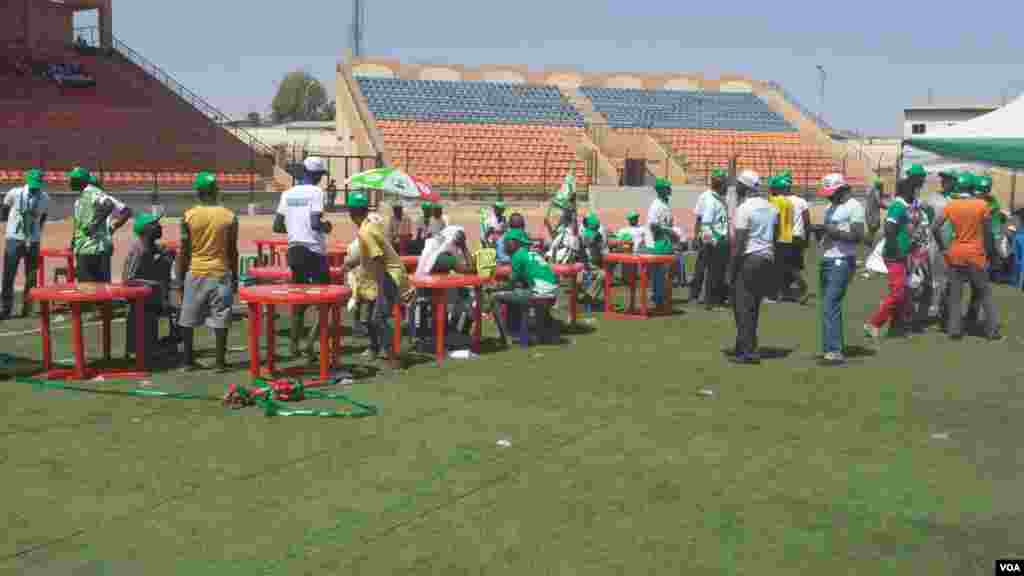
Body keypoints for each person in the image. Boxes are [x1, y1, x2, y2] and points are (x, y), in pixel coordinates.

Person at [175, 172, 239, 372]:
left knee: (188, 318)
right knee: (221, 317)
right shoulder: (230, 216)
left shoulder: (188, 216)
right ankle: (220, 362)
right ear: (217, 191)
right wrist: (235, 276)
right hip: (221, 273)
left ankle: (187, 361)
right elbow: (232, 250)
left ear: (198, 193)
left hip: (195, 272)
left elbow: (184, 251)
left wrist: (179, 280)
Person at [273, 156, 333, 359]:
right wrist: (326, 227)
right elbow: (316, 223)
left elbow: (277, 226)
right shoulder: (317, 192)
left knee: (298, 301)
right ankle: (309, 344)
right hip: (314, 250)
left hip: (295, 251)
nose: (320, 180)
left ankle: (293, 346)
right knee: (326, 301)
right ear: (315, 175)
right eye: (320, 176)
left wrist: (295, 226)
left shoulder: (287, 194)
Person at [344, 190, 415, 360]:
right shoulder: (371, 225)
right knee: (369, 317)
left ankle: (393, 357)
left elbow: (378, 257)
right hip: (384, 275)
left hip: (388, 276)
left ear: (351, 213)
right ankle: (375, 349)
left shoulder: (365, 232)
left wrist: (380, 285)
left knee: (379, 318)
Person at [931, 176, 1001, 341]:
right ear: (972, 189)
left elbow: (934, 227)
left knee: (955, 294)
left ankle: (954, 330)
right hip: (976, 254)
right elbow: (988, 233)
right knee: (984, 293)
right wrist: (992, 254)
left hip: (955, 253)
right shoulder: (982, 205)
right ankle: (992, 330)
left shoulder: (951, 205)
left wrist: (943, 247)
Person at [729, 170, 777, 365]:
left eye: (738, 184)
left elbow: (739, 243)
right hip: (767, 258)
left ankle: (748, 351)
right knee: (753, 305)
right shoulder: (771, 208)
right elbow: (776, 235)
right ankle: (744, 344)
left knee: (742, 306)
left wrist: (731, 269)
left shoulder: (744, 208)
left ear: (744, 187)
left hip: (749, 259)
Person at [817, 174, 865, 364]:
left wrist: (831, 231)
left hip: (842, 260)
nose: (828, 197)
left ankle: (834, 351)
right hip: (828, 258)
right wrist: (821, 234)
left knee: (830, 304)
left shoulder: (854, 207)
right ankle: (831, 347)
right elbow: (831, 233)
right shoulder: (831, 207)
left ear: (841, 189)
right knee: (828, 306)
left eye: (831, 193)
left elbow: (857, 235)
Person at [865, 178, 916, 344]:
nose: (916, 193)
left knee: (903, 291)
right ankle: (874, 323)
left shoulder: (904, 206)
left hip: (901, 254)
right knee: (898, 292)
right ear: (907, 191)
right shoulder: (898, 206)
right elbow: (889, 227)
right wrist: (895, 247)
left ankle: (897, 327)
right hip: (895, 256)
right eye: (914, 190)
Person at [490, 228, 559, 347]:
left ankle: (506, 338)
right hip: (552, 293)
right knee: (518, 293)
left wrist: (494, 288)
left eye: (507, 243)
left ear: (515, 243)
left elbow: (511, 283)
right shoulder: (532, 253)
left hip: (539, 294)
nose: (504, 246)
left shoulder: (517, 255)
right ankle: (536, 335)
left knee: (494, 297)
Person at [122, 212, 175, 362]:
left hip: (149, 298)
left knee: (153, 323)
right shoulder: (139, 250)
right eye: (155, 224)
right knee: (142, 325)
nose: (160, 227)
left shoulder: (151, 246)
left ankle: (151, 349)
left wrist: (166, 255)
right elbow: (128, 280)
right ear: (146, 230)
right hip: (138, 299)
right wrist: (154, 284)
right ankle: (138, 352)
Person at [1, 169, 49, 319]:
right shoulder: (14, 193)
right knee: (9, 274)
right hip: (14, 238)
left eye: (37, 185)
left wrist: (35, 232)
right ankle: (5, 309)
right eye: (33, 185)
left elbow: (43, 217)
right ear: (27, 181)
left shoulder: (45, 198)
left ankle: (27, 309)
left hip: (33, 241)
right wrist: (13, 225)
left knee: (31, 275)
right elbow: (4, 210)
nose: (35, 188)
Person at [70, 166, 130, 282]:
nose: (70, 183)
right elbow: (79, 224)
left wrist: (100, 225)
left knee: (94, 287)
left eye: (73, 180)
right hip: (85, 247)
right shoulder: (79, 200)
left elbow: (122, 210)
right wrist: (73, 242)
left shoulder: (94, 194)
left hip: (96, 246)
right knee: (93, 285)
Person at [692, 169, 730, 310]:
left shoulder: (720, 199)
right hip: (712, 240)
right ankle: (706, 298)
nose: (727, 186)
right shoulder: (710, 200)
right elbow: (703, 221)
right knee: (707, 270)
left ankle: (713, 298)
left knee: (716, 271)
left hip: (718, 240)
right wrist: (712, 240)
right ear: (720, 184)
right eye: (725, 183)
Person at [925, 167, 956, 320]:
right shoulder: (933, 197)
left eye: (947, 179)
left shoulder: (957, 199)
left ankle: (942, 307)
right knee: (931, 275)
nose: (943, 181)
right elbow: (927, 217)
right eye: (943, 178)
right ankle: (931, 306)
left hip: (950, 242)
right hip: (933, 243)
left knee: (947, 277)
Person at [642, 178, 678, 308]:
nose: (670, 189)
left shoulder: (665, 203)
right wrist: (669, 232)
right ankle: (657, 298)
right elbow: (653, 224)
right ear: (661, 190)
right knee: (659, 271)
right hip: (657, 242)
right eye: (667, 187)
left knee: (664, 272)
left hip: (664, 241)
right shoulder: (656, 205)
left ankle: (661, 297)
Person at [768, 175, 795, 302]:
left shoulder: (775, 200)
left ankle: (773, 295)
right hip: (788, 238)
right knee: (783, 269)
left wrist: (771, 237)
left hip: (778, 238)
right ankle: (784, 293)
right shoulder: (788, 202)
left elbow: (775, 220)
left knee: (774, 269)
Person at [785, 174, 810, 303]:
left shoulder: (779, 201)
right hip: (798, 237)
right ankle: (789, 291)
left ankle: (803, 288)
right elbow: (807, 222)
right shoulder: (801, 201)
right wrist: (807, 240)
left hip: (786, 237)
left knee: (788, 266)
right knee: (794, 265)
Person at [580, 213, 607, 303]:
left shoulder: (585, 233)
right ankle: (589, 295)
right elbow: (601, 248)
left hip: (588, 264)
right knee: (604, 275)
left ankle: (589, 295)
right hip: (589, 265)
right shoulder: (595, 235)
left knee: (603, 274)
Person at [864, 178, 884, 246]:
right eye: (881, 185)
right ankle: (868, 241)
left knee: (873, 228)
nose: (882, 186)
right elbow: (879, 203)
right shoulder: (876, 191)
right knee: (874, 227)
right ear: (879, 185)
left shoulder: (870, 190)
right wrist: (887, 206)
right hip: (873, 213)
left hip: (868, 211)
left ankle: (868, 241)